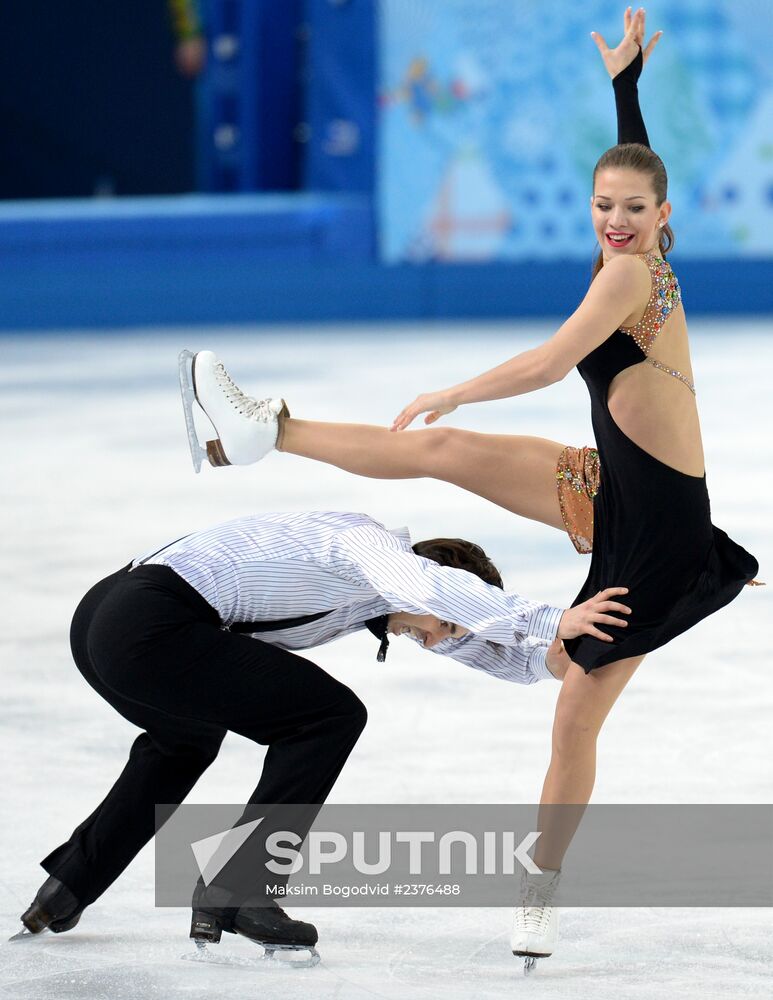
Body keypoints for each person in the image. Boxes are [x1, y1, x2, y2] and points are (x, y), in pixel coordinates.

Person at [177, 8, 760, 968]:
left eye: (631, 210)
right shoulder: (631, 249)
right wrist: (625, 87)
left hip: (654, 542)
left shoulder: (626, 280)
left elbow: (547, 364)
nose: (613, 219)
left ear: (664, 222)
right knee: (443, 453)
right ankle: (261, 432)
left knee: (574, 712)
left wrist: (454, 384)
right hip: (608, 483)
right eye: (601, 205)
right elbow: (636, 165)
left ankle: (540, 888)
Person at [17, 509, 628, 960]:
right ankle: (239, 886)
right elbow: (429, 591)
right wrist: (550, 616)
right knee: (329, 717)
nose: (438, 638)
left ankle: (69, 885)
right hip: (147, 621)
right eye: (446, 622)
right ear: (438, 580)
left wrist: (550, 658)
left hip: (106, 621)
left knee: (185, 741)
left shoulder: (370, 595)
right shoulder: (373, 549)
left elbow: (462, 634)